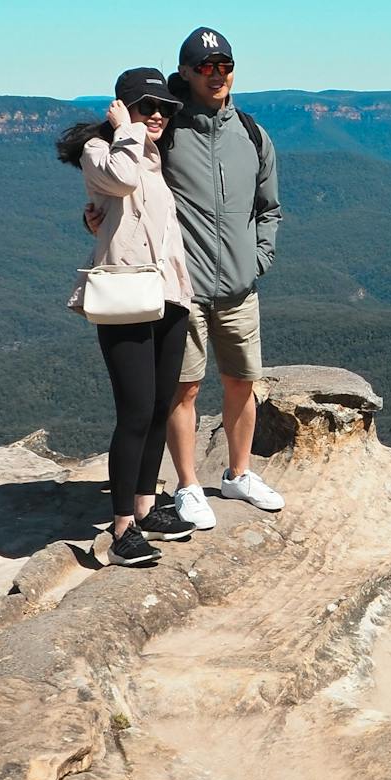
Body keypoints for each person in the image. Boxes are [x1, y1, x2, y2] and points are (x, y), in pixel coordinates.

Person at [90, 27, 284, 529]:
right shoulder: (169, 129)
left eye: (224, 66)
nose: (216, 75)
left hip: (241, 285)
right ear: (186, 73)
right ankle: (189, 485)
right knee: (184, 390)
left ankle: (239, 474)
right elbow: (123, 182)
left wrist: (258, 258)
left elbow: (270, 208)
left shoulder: (252, 133)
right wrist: (95, 215)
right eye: (204, 68)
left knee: (243, 382)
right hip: (184, 289)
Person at [60, 68, 199, 566]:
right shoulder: (101, 152)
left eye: (164, 108)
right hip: (124, 296)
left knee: (161, 405)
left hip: (168, 296)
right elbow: (118, 182)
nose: (158, 115)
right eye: (146, 106)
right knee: (136, 411)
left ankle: (145, 505)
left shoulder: (153, 156)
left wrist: (93, 218)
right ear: (122, 107)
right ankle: (121, 531)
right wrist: (125, 131)